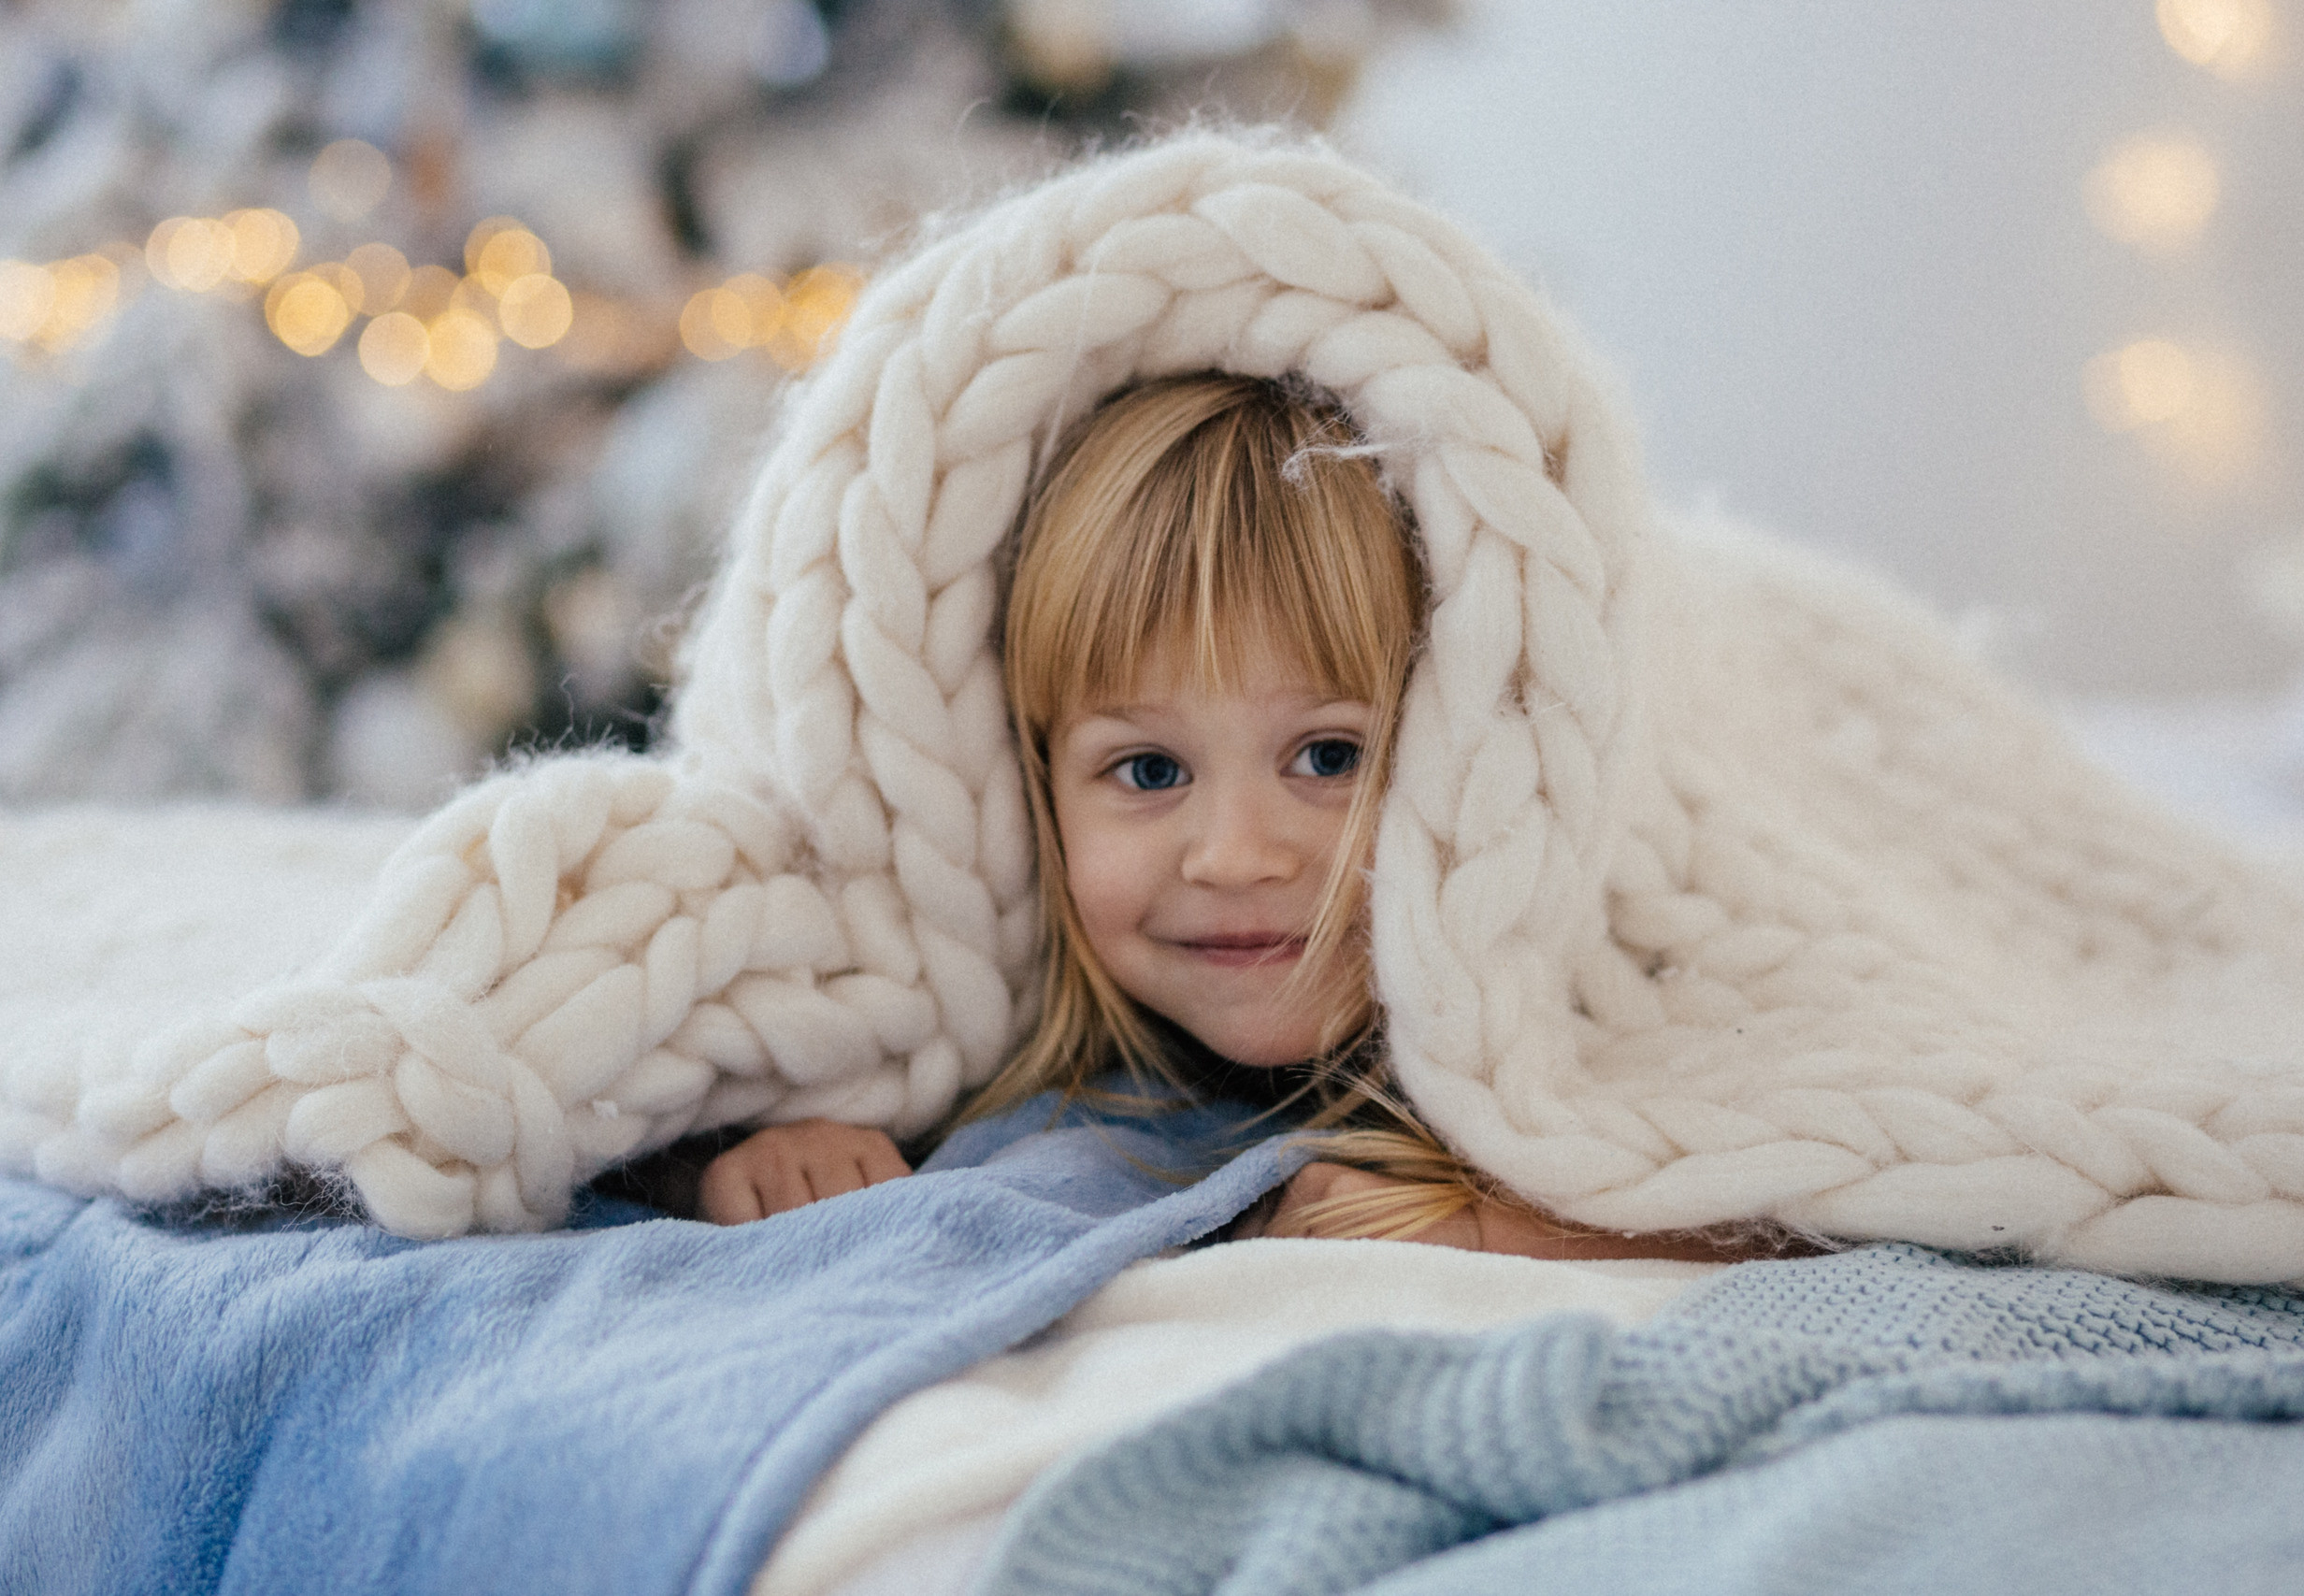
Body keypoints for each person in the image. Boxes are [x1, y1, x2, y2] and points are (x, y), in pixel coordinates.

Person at [697, 373, 1788, 1264]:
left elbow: (1852, 1174)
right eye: (1148, 769)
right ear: (1035, 786)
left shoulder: (1636, 972)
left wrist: (1500, 1231)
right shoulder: (970, 1045)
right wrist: (774, 1149)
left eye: (1328, 756)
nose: (1234, 856)